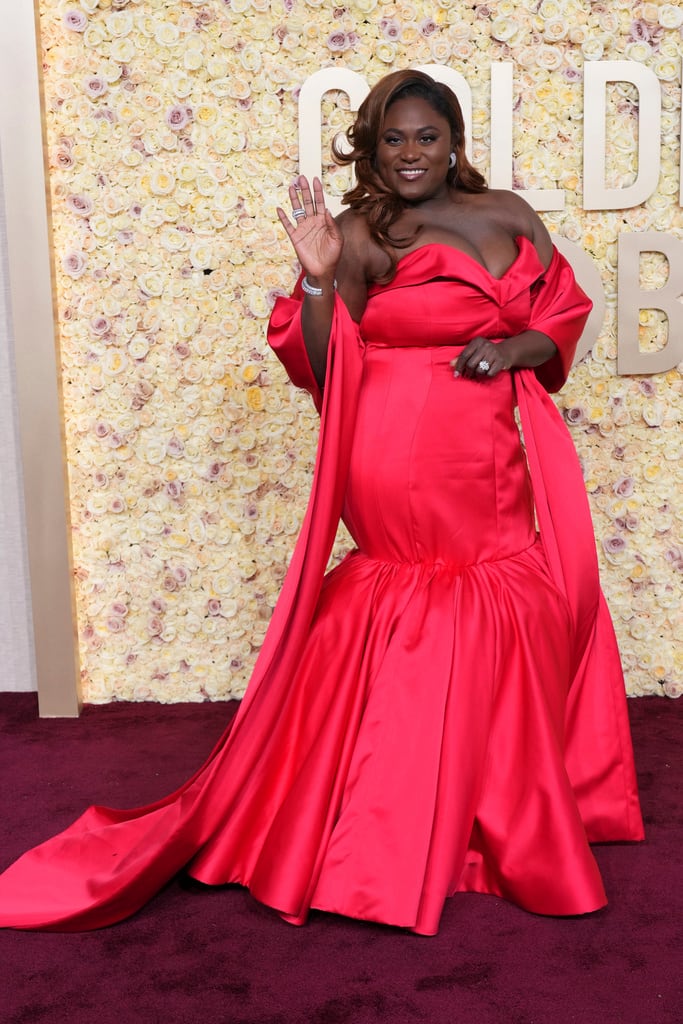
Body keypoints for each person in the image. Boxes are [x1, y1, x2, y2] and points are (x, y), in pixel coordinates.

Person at [0, 70, 643, 935]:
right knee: (429, 595)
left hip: (493, 442)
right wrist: (315, 280)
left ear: (455, 141)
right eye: (392, 140)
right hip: (399, 443)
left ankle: (493, 806)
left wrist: (516, 345)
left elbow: (560, 310)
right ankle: (395, 826)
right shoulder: (361, 232)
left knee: (511, 596)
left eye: (425, 137)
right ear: (370, 150)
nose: (410, 154)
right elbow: (326, 363)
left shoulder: (510, 213)